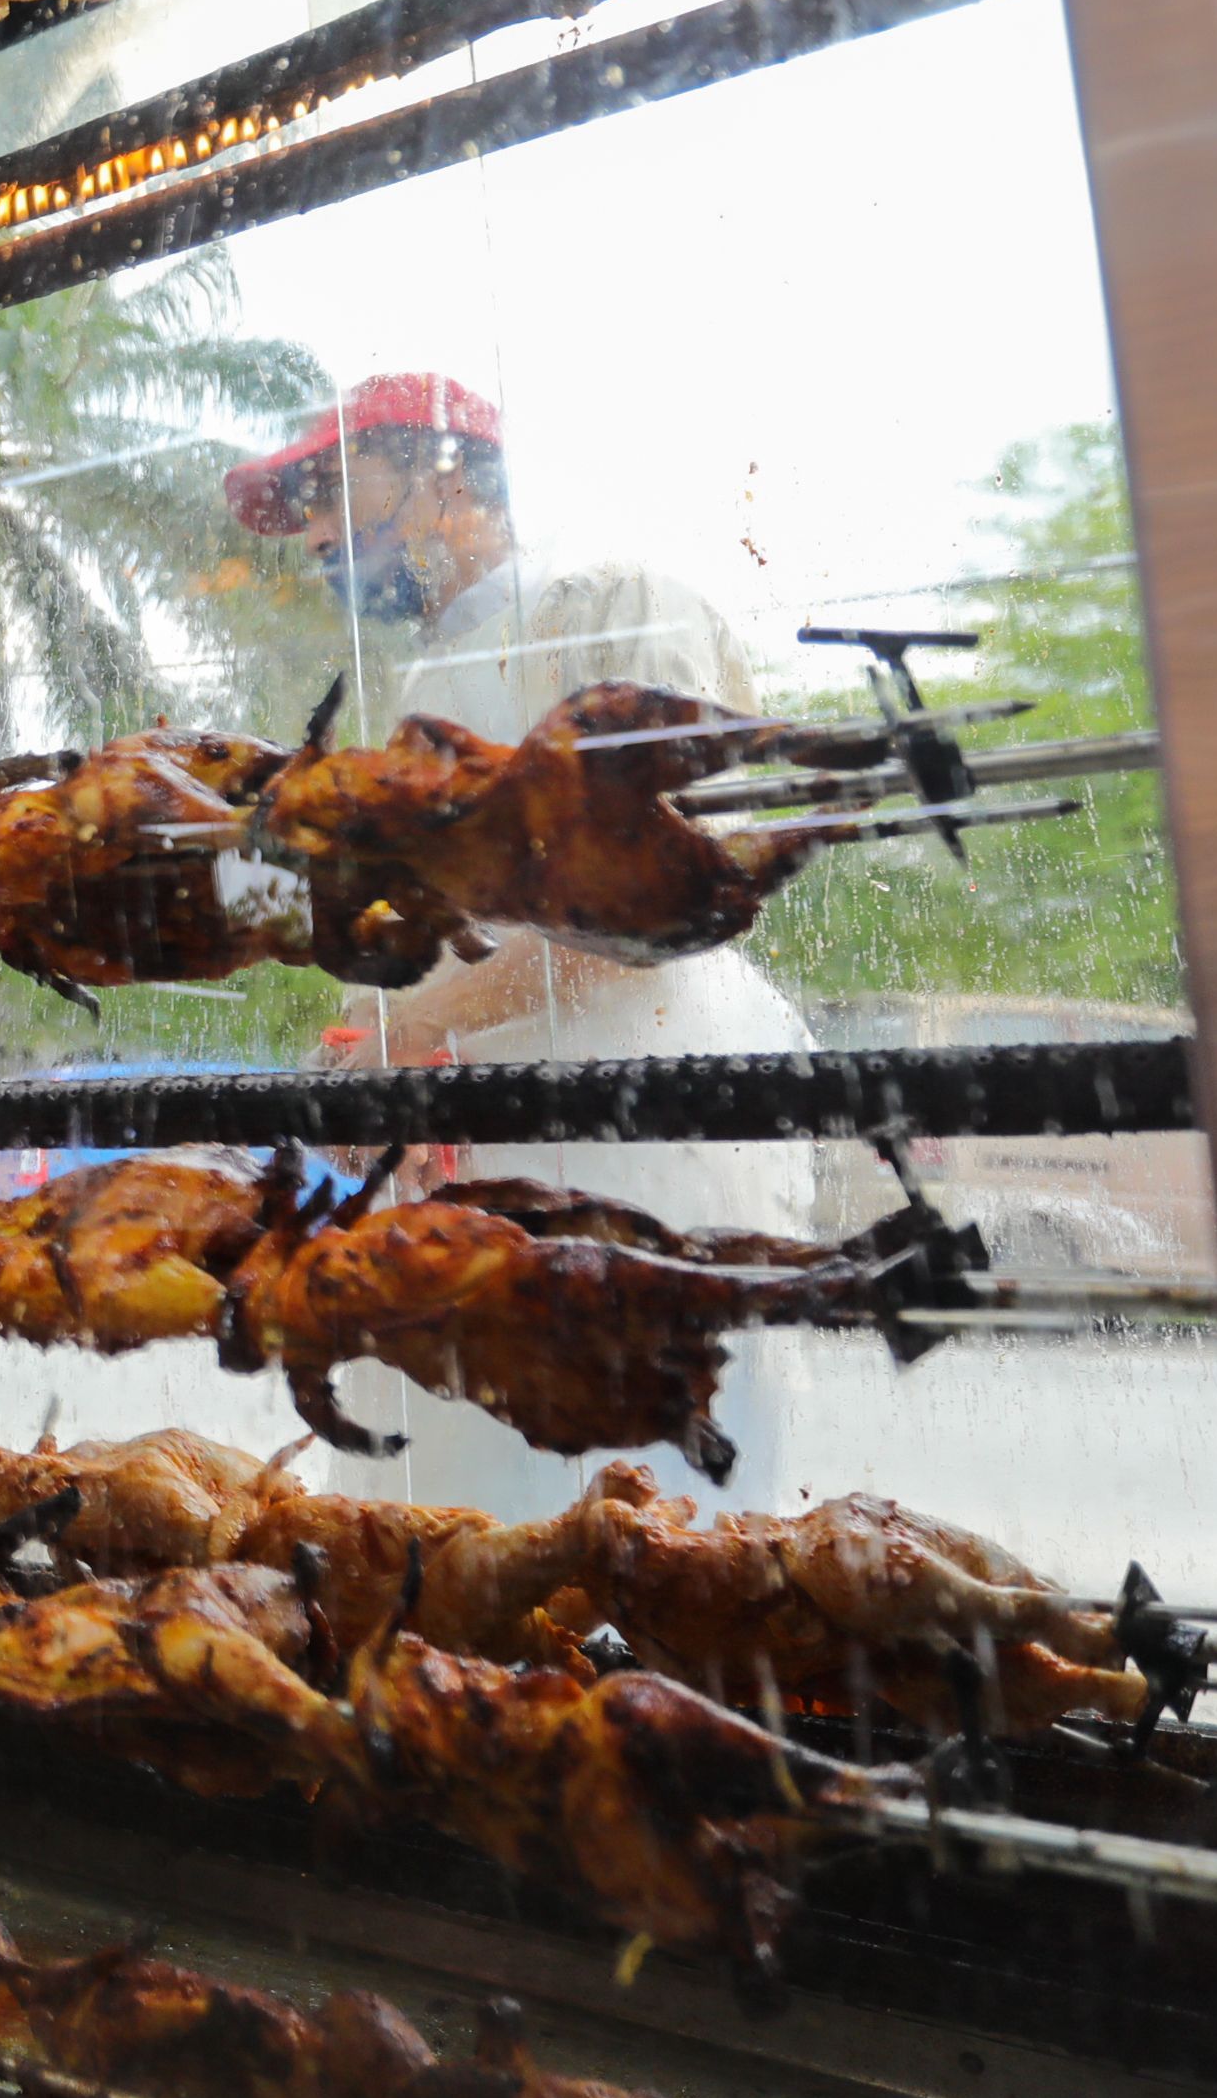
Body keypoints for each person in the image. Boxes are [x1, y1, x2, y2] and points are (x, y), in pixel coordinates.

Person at [222, 374, 834, 1519]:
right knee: (472, 1516)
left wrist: (429, 1025)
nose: (312, 534)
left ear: (443, 472)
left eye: (330, 491)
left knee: (643, 1506)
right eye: (299, 506)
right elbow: (474, 930)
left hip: (644, 1116)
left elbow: (661, 904)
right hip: (499, 1140)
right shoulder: (421, 683)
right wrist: (407, 1049)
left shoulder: (608, 598)